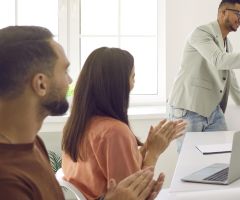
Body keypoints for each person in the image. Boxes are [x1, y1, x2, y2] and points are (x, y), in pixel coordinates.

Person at [0, 25, 163, 200]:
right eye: (64, 71)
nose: (70, 80)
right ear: (41, 84)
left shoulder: (34, 144)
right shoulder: (7, 180)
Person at [61, 47, 187, 200]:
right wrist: (154, 153)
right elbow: (136, 193)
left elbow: (118, 167)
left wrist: (148, 145)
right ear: (118, 84)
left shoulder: (76, 125)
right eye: (132, 77)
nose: (134, 82)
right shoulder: (115, 132)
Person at [168, 0, 240, 151]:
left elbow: (229, 72)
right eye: (238, 14)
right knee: (189, 160)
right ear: (223, 12)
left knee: (221, 153)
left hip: (213, 109)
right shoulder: (201, 33)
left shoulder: (228, 43)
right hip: (188, 107)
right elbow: (219, 60)